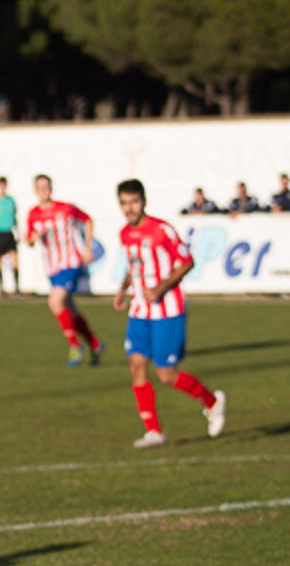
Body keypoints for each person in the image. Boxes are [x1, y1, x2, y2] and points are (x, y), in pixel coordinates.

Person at [112, 180, 226, 448]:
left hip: (167, 310)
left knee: (166, 375)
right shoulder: (125, 234)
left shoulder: (161, 229)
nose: (130, 208)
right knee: (136, 365)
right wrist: (123, 288)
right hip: (139, 310)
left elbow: (187, 261)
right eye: (124, 203)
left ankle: (213, 402)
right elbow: (134, 265)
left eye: (134, 202)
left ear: (144, 201)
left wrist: (162, 287)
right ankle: (154, 432)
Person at [25, 174, 102, 366]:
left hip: (71, 262)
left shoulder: (65, 208)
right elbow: (29, 239)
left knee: (54, 301)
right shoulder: (33, 214)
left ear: (51, 188)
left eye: (46, 187)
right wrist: (31, 239)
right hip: (52, 267)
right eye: (40, 187)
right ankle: (95, 343)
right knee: (70, 309)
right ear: (35, 191)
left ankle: (75, 346)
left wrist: (87, 246)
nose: (44, 190)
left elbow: (88, 220)